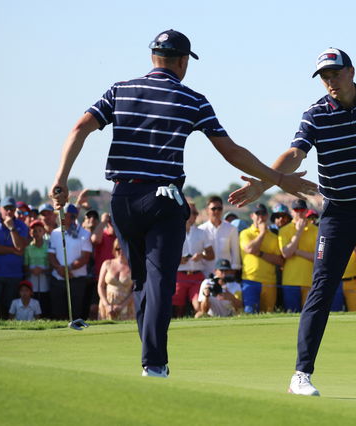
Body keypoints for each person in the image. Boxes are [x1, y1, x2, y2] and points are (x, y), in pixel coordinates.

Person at [50, 29, 316, 378]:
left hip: (123, 199)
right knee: (159, 281)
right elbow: (230, 151)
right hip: (163, 198)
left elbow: (79, 127)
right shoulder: (192, 99)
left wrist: (60, 178)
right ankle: (155, 364)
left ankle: (149, 357)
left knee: (143, 281)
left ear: (152, 58)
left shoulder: (120, 89)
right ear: (182, 61)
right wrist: (278, 179)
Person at [229, 48, 356, 395]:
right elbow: (295, 153)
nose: (330, 82)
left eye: (335, 74)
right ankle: (301, 374)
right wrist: (265, 182)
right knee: (323, 289)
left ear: (351, 72)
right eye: (324, 77)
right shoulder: (314, 115)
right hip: (339, 213)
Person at [47, 204, 92, 320]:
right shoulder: (55, 233)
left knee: (76, 314)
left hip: (76, 280)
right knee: (57, 313)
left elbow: (85, 258)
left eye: (63, 215)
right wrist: (60, 269)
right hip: (57, 279)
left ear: (72, 217)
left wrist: (68, 269)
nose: (59, 218)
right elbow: (51, 255)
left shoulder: (84, 234)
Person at [0, 196, 30, 318]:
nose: (9, 211)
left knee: (9, 309)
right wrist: (13, 250)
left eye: (12, 208)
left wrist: (12, 228)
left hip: (14, 275)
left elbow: (20, 247)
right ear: (0, 209)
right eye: (6, 208)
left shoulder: (21, 226)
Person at [239, 204, 283, 313]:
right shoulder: (245, 233)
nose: (260, 217)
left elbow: (280, 260)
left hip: (269, 281)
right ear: (252, 216)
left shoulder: (274, 237)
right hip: (250, 280)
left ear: (267, 216)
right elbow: (249, 249)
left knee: (269, 313)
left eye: (263, 213)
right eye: (257, 213)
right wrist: (262, 233)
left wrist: (260, 254)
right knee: (250, 311)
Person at [173, 203, 213, 317]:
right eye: (192, 213)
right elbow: (165, 254)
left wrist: (202, 255)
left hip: (196, 275)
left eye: (196, 213)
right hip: (179, 275)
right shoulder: (174, 232)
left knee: (199, 307)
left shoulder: (201, 232)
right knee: (177, 308)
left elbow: (211, 254)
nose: (195, 216)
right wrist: (178, 259)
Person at [278, 200, 318, 313]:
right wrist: (299, 231)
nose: (299, 213)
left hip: (309, 281)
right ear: (291, 212)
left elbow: (318, 257)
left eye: (302, 210)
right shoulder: (284, 230)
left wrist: (297, 252)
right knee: (291, 314)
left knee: (309, 315)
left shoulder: (316, 230)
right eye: (296, 210)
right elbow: (286, 254)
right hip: (291, 281)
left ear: (306, 211)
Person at [199, 196, 242, 278]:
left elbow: (235, 253)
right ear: (207, 210)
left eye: (219, 208)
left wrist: (233, 272)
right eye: (213, 209)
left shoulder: (231, 229)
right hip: (206, 274)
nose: (217, 211)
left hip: (226, 275)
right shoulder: (201, 229)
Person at [97, 239, 135, 320]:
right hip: (107, 303)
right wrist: (106, 305)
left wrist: (122, 306)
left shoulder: (133, 267)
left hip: (126, 305)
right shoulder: (107, 264)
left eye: (123, 248)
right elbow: (100, 286)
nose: (120, 251)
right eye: (118, 249)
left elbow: (136, 289)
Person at [24, 220, 51, 317]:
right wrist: (32, 270)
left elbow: (51, 265)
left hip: (44, 277)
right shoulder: (28, 248)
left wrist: (42, 270)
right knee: (33, 297)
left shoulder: (48, 247)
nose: (37, 233)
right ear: (31, 233)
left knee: (44, 298)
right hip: (32, 277)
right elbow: (25, 266)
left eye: (40, 230)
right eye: (34, 231)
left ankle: (44, 318)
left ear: (44, 232)